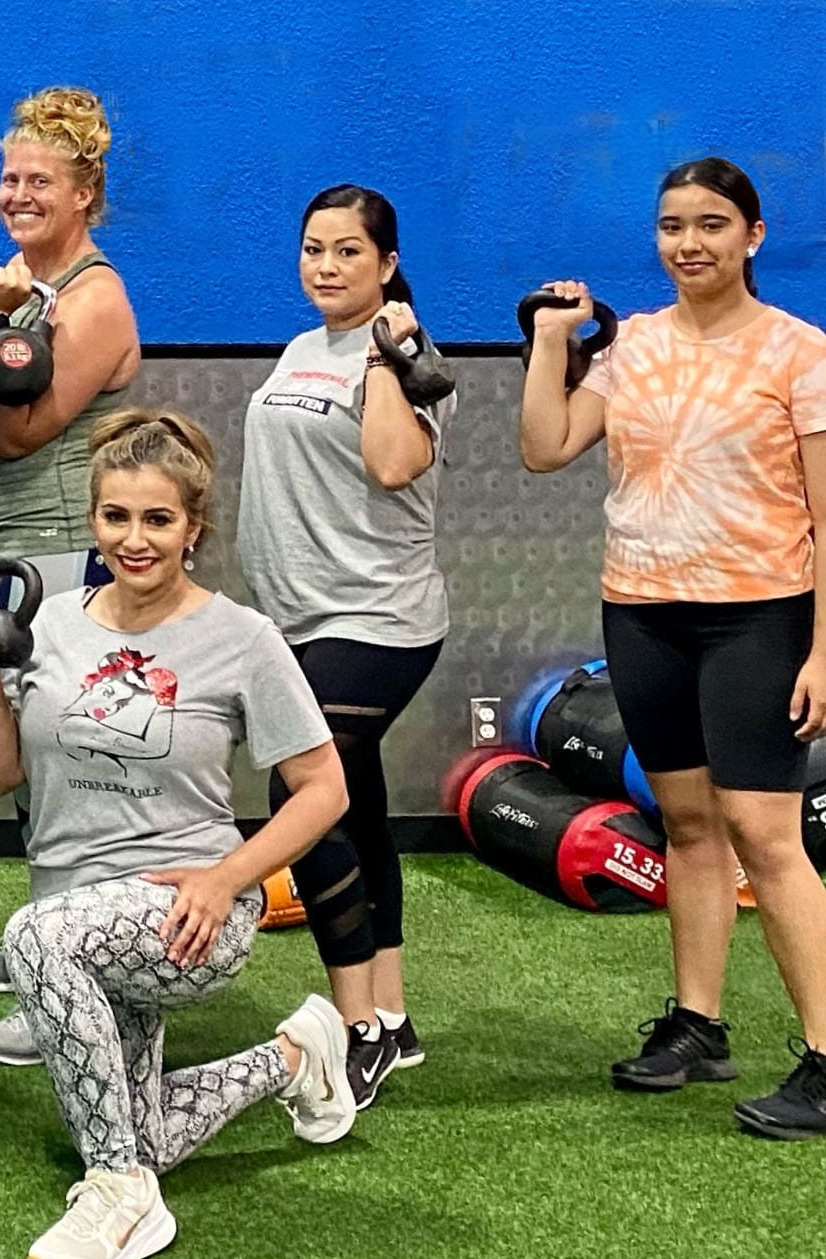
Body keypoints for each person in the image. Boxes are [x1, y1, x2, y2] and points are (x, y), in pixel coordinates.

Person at [0, 410, 356, 1259]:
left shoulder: (242, 640)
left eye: (158, 520)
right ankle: (297, 1054)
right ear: (95, 519)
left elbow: (327, 789)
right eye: (116, 517)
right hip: (75, 909)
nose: (134, 540)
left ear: (194, 527)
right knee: (143, 1126)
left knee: (33, 942)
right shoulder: (54, 623)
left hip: (186, 911)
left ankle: (120, 1196)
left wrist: (228, 877)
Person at [519, 156, 826, 1138]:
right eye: (670, 226)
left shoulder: (798, 353)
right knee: (687, 824)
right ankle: (697, 1023)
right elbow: (543, 445)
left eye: (709, 225)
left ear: (753, 235)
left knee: (766, 838)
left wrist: (823, 651)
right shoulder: (635, 347)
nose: (687, 243)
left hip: (759, 614)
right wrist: (546, 341)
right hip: (642, 613)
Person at [236, 184, 453, 1107]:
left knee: (304, 788)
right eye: (314, 249)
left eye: (348, 253)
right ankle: (394, 1021)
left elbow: (395, 464)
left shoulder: (408, 358)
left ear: (388, 264)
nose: (326, 267)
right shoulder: (298, 347)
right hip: (295, 619)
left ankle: (354, 1026)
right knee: (355, 809)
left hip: (376, 618)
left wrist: (383, 362)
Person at [0, 86, 145, 1065]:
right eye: (9, 177)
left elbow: (23, 432)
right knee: (35, 776)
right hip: (14, 555)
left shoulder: (92, 297)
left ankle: (62, 992)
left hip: (65, 558)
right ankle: (44, 944)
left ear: (84, 194)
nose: (18, 194)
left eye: (40, 181)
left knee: (63, 774)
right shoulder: (28, 290)